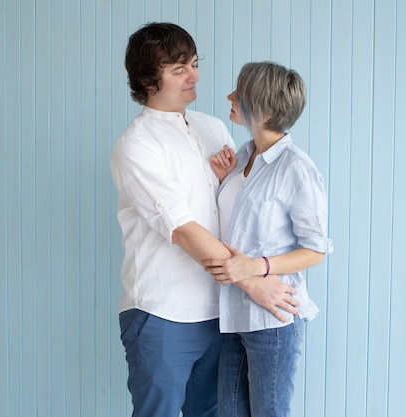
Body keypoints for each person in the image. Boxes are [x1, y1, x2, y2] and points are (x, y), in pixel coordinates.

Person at [111, 24, 299, 417]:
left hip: (220, 313)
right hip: (162, 312)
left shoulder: (213, 127)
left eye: (194, 64)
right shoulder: (137, 144)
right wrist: (252, 281)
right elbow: (182, 228)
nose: (194, 76)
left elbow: (241, 210)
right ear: (148, 79)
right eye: (179, 69)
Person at [204, 61, 334, 417]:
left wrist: (257, 267)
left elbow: (316, 250)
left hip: (272, 319)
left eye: (239, 92)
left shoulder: (297, 169)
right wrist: (221, 181)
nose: (229, 96)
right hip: (231, 313)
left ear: (267, 110)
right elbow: (235, 225)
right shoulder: (242, 157)